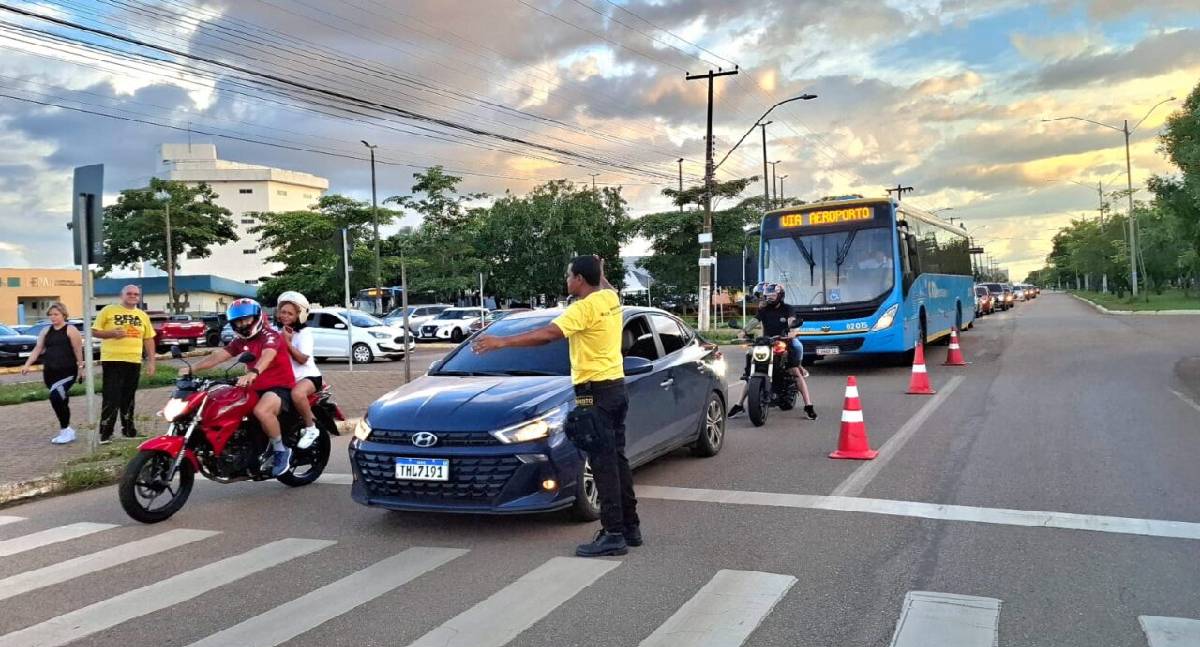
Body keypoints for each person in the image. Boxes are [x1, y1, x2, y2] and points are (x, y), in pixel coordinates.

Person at [472, 255, 638, 558]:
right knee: (617, 459)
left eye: (568, 275)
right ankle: (630, 527)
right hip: (615, 389)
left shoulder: (584, 308)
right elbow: (604, 284)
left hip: (594, 394)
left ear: (579, 279)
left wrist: (502, 343)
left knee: (603, 465)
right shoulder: (609, 298)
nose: (566, 280)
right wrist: (600, 271)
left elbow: (548, 334)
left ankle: (613, 533)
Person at [182, 299, 297, 476]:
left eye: (245, 320)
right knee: (225, 404)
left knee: (262, 411)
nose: (241, 324)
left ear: (257, 317)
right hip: (253, 386)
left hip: (279, 386)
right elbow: (219, 356)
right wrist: (192, 368)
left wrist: (254, 372)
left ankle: (281, 450)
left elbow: (268, 354)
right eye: (237, 321)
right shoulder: (239, 341)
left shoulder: (271, 335)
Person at [728, 282, 817, 421]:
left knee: (794, 371)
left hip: (783, 342)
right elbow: (754, 322)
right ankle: (739, 404)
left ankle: (808, 406)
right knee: (751, 372)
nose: (769, 298)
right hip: (766, 343)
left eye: (772, 296)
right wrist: (743, 331)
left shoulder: (788, 309)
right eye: (767, 296)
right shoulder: (764, 310)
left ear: (780, 296)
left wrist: (792, 331)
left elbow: (792, 322)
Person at [91, 284, 156, 443]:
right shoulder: (108, 310)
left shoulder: (142, 315)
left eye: (136, 294)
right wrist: (111, 333)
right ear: (122, 295)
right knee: (111, 396)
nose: (133, 296)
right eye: (129, 293)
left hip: (133, 360)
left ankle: (128, 431)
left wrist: (151, 361)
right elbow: (94, 331)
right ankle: (105, 433)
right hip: (113, 359)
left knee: (128, 397)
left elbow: (148, 338)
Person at [22, 303, 85, 445]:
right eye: (50, 314)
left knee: (55, 397)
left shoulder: (70, 329)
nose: (53, 317)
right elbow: (38, 349)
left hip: (67, 371)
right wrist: (27, 364)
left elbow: (77, 350)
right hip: (50, 372)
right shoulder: (46, 330)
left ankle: (65, 430)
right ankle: (68, 430)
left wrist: (81, 368)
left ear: (63, 315)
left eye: (56, 314)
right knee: (61, 400)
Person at [275, 291, 322, 450]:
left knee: (297, 394)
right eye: (283, 312)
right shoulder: (276, 332)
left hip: (308, 377)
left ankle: (311, 429)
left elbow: (302, 359)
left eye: (290, 313)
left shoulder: (304, 333)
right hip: (286, 379)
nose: (285, 316)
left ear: (298, 315)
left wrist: (287, 343)